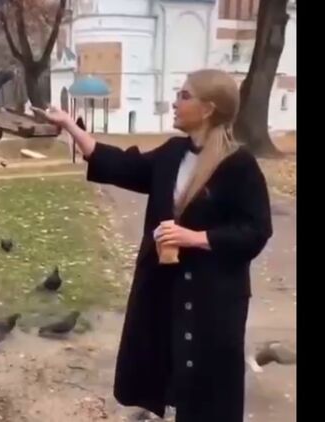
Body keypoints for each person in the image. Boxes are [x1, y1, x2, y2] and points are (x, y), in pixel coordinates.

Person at [32, 69, 272, 422]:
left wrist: (196, 238)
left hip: (214, 300)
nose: (174, 103)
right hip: (165, 290)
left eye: (184, 96)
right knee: (171, 378)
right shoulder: (173, 153)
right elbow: (122, 165)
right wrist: (69, 125)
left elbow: (256, 230)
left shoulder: (239, 165)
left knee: (211, 394)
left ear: (208, 108)